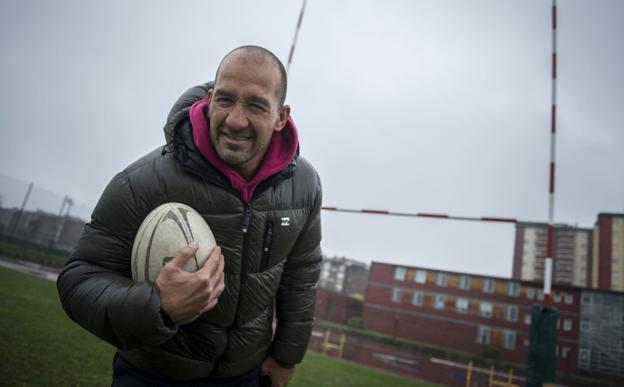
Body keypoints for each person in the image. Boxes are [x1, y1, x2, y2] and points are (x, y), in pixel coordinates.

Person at [57, 45, 322, 387]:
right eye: (225, 99)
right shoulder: (146, 181)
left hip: (245, 375)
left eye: (256, 105)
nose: (235, 120)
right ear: (210, 99)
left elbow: (300, 278)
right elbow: (78, 280)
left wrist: (286, 357)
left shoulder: (303, 184)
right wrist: (157, 305)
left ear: (281, 117)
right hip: (153, 374)